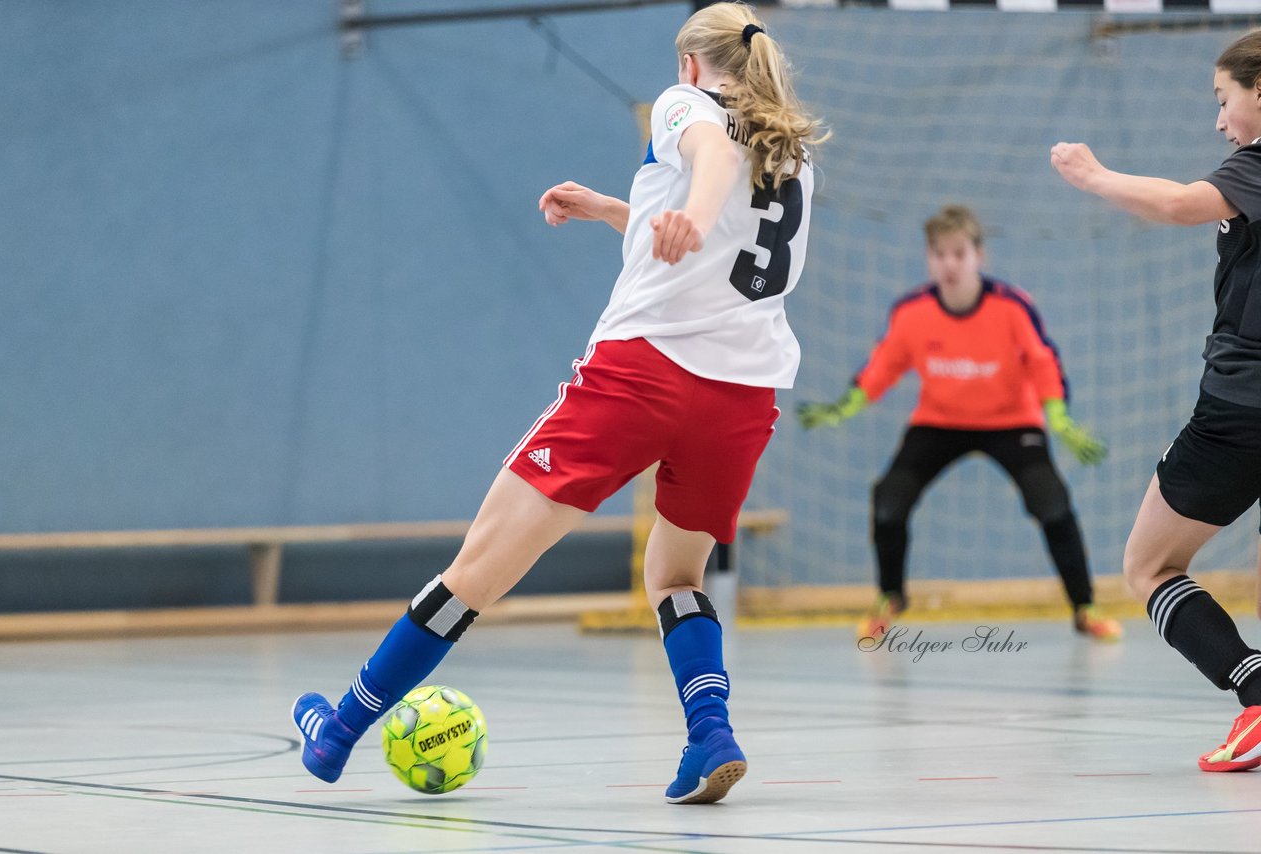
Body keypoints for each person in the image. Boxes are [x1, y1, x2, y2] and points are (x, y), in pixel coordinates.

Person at [292, 1, 827, 804]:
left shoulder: (689, 106)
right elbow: (719, 246)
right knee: (678, 573)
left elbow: (709, 161)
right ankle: (709, 733)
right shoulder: (792, 154)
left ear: (691, 64)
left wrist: (691, 209)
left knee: (479, 568)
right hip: (742, 398)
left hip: (643, 375)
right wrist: (622, 210)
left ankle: (338, 731)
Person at [1050, 29, 1261, 772]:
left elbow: (1179, 204)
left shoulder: (1257, 164)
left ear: (1260, 90)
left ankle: (1256, 692)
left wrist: (1094, 175)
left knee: (1149, 565)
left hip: (1243, 409)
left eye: (1223, 99)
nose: (1219, 119)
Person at [798, 205, 1122, 643]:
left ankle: (1085, 607)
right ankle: (890, 597)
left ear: (978, 256)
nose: (948, 264)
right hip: (940, 422)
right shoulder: (912, 313)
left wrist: (1058, 416)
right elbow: (883, 366)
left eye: (958, 253)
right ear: (928, 258)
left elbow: (1044, 362)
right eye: (938, 254)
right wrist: (846, 405)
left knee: (1054, 506)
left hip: (1012, 422)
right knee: (889, 501)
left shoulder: (1011, 307)